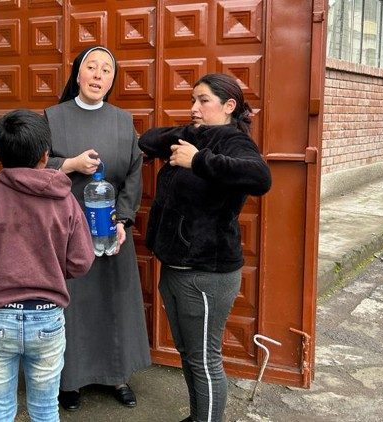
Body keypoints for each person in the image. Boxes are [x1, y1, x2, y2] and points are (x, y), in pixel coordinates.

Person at [138, 73, 272, 422]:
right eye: (193, 100)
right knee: (187, 352)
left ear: (229, 106)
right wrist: (188, 134)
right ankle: (200, 417)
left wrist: (197, 160)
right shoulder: (194, 135)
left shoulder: (234, 142)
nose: (194, 108)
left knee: (205, 359)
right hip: (175, 265)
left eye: (203, 101)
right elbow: (149, 140)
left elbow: (261, 177)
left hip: (206, 274)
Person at [0, 109, 95, 422]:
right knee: (44, 410)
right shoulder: (65, 200)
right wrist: (52, 270)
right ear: (45, 155)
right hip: (47, 318)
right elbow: (82, 261)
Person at [44, 46, 151, 410]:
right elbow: (34, 167)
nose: (98, 75)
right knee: (73, 306)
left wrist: (123, 219)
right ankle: (69, 381)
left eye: (106, 70)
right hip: (65, 230)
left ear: (112, 80)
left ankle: (117, 376)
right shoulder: (53, 117)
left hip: (111, 233)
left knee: (113, 303)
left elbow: (134, 172)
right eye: (92, 67)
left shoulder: (123, 120)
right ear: (78, 74)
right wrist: (70, 163)